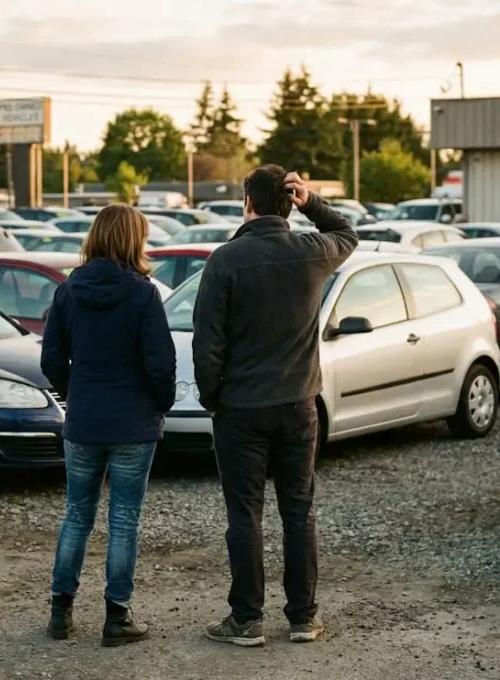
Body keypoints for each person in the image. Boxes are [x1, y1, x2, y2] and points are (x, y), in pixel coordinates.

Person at [192, 165, 358, 647]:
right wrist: (311, 202)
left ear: (248, 202)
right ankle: (303, 618)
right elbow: (347, 233)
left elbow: (207, 343)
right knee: (298, 511)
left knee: (245, 515)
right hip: (299, 405)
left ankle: (246, 620)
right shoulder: (310, 252)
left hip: (241, 409)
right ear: (287, 202)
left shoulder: (225, 260)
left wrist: (213, 398)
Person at [40, 204, 177, 647]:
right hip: (133, 422)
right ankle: (117, 617)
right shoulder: (144, 295)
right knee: (124, 520)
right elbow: (161, 363)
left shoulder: (67, 291)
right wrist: (160, 404)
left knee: (77, 514)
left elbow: (51, 360)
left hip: (84, 420)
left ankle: (60, 612)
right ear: (133, 240)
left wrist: (75, 393)